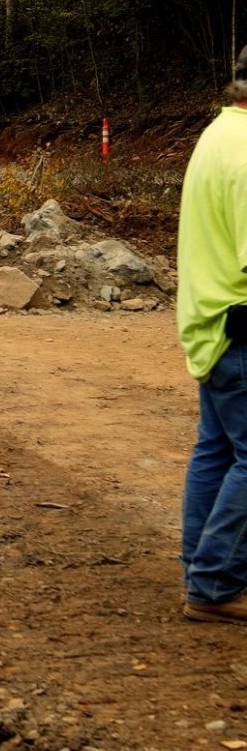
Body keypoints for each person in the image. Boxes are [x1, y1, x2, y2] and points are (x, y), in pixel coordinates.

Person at [179, 47, 247, 623]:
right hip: (241, 323)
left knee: (217, 449)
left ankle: (200, 568)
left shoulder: (217, 133)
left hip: (210, 320)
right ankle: (216, 583)